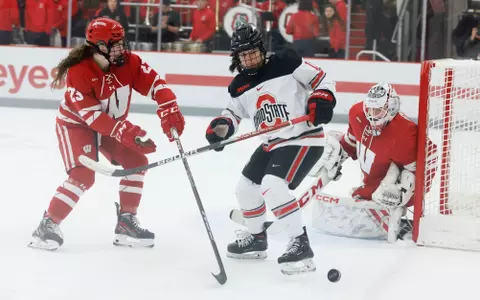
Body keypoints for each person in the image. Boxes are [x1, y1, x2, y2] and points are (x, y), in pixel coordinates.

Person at [28, 17, 185, 251]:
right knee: (84, 175)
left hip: (110, 123)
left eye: (122, 42)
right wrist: (125, 131)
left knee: (137, 162)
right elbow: (91, 117)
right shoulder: (79, 71)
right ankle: (47, 224)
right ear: (100, 46)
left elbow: (156, 85)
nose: (123, 48)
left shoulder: (130, 62)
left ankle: (126, 223)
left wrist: (168, 105)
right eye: (116, 44)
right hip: (76, 125)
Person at [204, 23, 337, 275]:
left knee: (273, 186)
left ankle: (300, 244)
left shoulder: (286, 63)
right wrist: (222, 127)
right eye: (243, 55)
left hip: (303, 138)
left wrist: (321, 99)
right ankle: (257, 239)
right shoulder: (239, 85)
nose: (249, 58)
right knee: (245, 188)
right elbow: (232, 113)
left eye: (253, 51)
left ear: (261, 48)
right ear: (236, 57)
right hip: (271, 144)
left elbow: (322, 80)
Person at [309, 83, 438, 242]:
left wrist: (404, 191)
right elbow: (352, 142)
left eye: (377, 111)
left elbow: (429, 158)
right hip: (373, 178)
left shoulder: (405, 133)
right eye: (369, 109)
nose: (371, 116)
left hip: (391, 180)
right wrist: (339, 151)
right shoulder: (357, 114)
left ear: (391, 108)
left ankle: (394, 208)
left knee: (378, 196)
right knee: (364, 194)